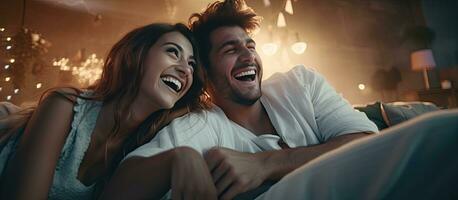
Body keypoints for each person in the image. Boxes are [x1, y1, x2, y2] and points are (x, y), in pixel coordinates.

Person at [103, 0, 378, 199]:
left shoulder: (300, 83)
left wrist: (264, 164)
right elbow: (118, 190)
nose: (248, 57)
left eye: (250, 46)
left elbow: (369, 144)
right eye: (230, 49)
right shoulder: (203, 125)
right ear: (205, 74)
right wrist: (180, 158)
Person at [0, 22, 209, 199]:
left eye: (191, 64)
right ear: (136, 54)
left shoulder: (146, 146)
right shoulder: (64, 105)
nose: (185, 70)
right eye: (173, 51)